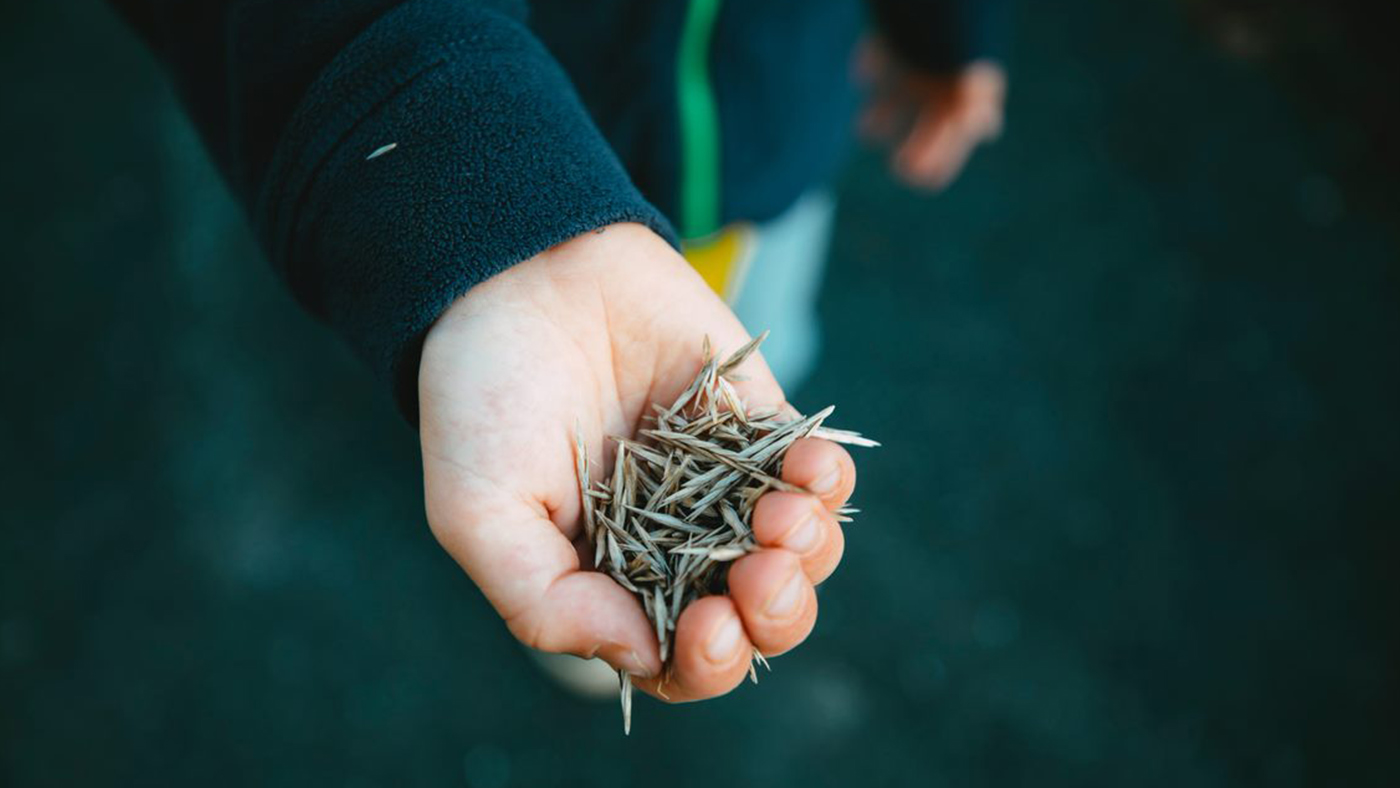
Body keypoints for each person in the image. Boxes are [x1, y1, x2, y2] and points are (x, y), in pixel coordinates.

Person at [109, 0, 1008, 703]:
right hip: (530, 125)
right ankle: (532, 503)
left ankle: (595, 563)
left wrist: (947, 30)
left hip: (769, 138)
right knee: (487, 362)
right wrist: (451, 172)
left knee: (755, 321)